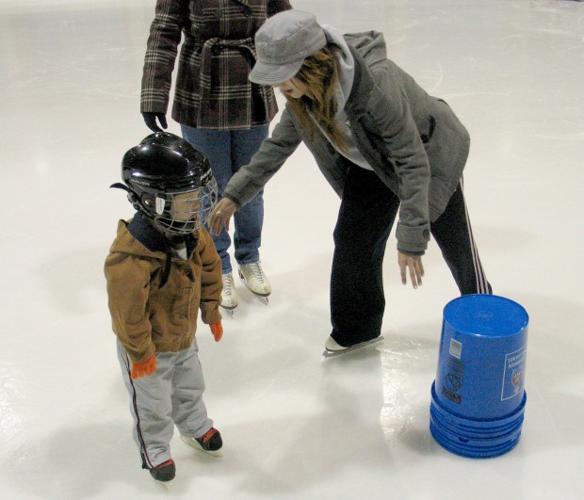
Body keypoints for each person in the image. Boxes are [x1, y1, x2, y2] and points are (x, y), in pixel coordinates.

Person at [210, 10, 492, 354]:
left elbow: (412, 160)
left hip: (431, 153)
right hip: (370, 161)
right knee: (352, 238)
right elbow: (276, 148)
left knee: (455, 243)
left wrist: (411, 238)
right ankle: (358, 329)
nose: (279, 86)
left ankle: (486, 316)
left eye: (285, 75)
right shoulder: (302, 96)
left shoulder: (377, 84)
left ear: (314, 63)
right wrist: (235, 195)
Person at [140, 0, 292, 311]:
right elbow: (165, 30)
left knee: (252, 184)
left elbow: (285, 22)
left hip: (253, 85)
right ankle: (216, 263)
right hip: (202, 89)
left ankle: (249, 256)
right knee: (210, 188)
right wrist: (154, 92)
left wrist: (310, 74)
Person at [105, 132, 224, 482]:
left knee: (191, 385)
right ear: (151, 201)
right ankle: (154, 446)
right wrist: (141, 354)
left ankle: (194, 424)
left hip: (183, 337)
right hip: (148, 348)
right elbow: (127, 313)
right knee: (152, 403)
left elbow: (210, 268)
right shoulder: (131, 256)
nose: (196, 204)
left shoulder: (191, 231)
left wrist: (212, 310)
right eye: (185, 199)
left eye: (197, 195)